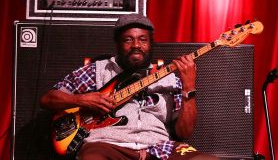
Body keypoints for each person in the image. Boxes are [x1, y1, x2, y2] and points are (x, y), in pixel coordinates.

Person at [40, 14, 218, 160]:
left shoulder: (169, 79)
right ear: (117, 44)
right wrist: (83, 100)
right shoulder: (97, 71)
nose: (136, 46)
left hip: (158, 148)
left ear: (150, 44)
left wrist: (189, 85)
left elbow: (184, 132)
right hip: (107, 145)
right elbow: (47, 99)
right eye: (128, 40)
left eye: (143, 40)